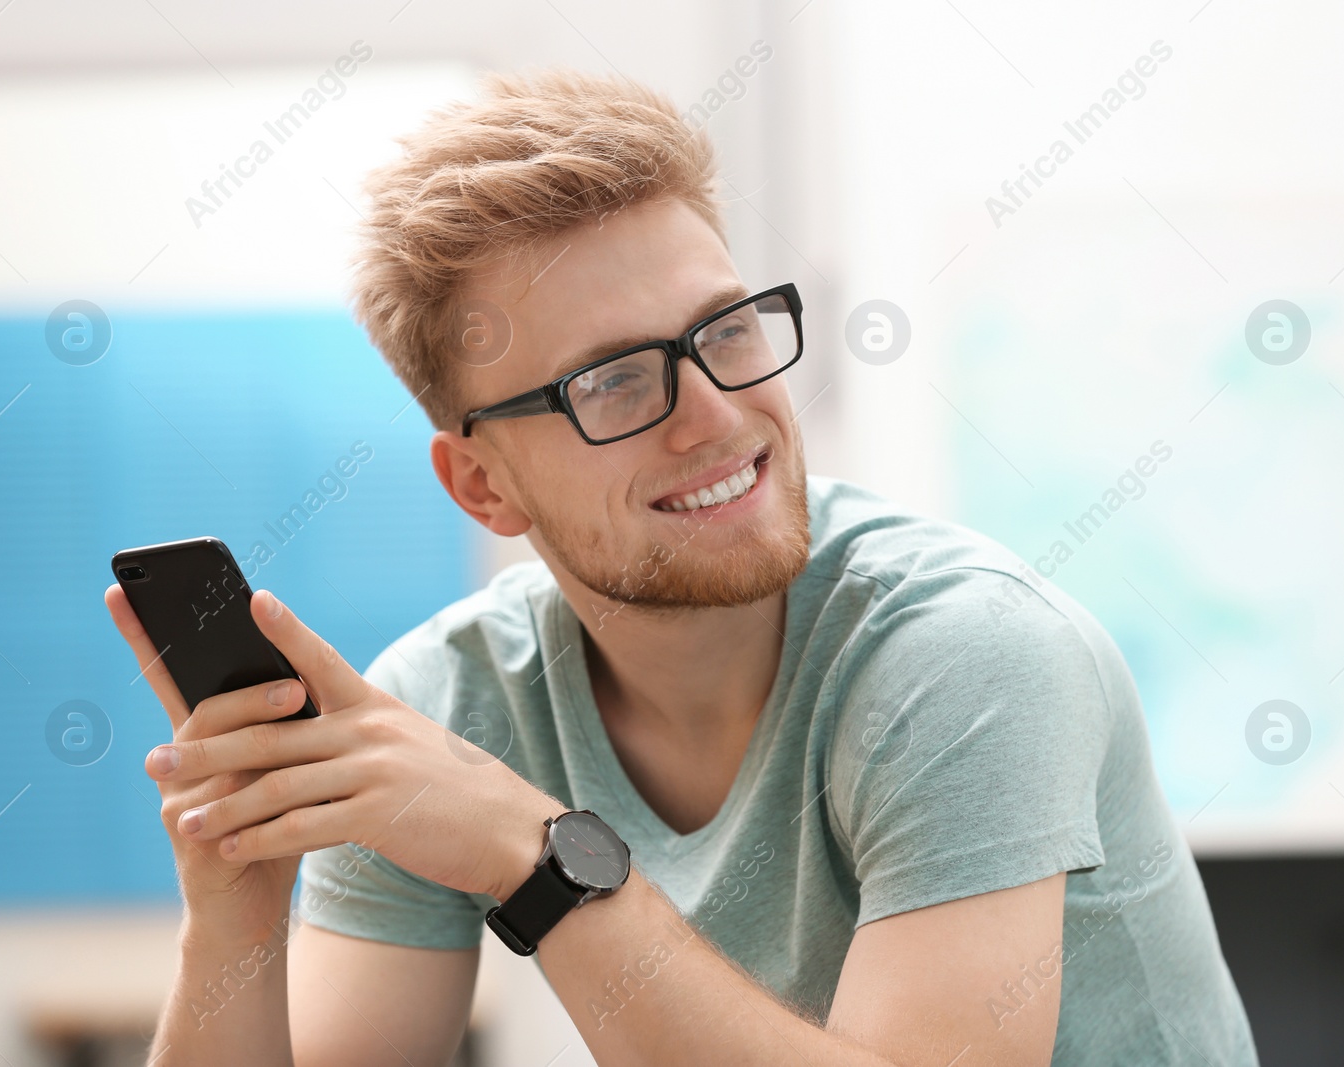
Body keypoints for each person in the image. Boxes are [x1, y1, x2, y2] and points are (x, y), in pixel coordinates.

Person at [104, 67, 1258, 1066]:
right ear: (482, 486)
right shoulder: (451, 704)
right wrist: (237, 912)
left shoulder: (968, 656)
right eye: (610, 380)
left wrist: (536, 854)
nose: (715, 414)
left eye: (726, 330)